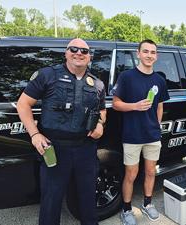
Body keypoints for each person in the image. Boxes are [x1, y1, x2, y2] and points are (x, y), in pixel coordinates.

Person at [17, 38, 106, 225]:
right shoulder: (47, 75)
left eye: (84, 50)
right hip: (55, 148)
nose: (79, 53)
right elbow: (23, 104)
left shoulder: (97, 84)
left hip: (86, 149)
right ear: (66, 53)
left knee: (89, 200)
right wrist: (34, 134)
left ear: (90, 57)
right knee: (51, 202)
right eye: (74, 49)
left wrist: (100, 124)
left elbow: (102, 110)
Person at [112, 39, 170, 225]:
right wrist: (134, 106)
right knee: (131, 174)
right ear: (138, 53)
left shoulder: (159, 80)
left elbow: (159, 107)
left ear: (156, 56)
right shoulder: (126, 77)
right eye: (145, 51)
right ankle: (127, 209)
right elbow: (116, 104)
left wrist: (156, 125)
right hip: (132, 135)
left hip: (152, 135)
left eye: (153, 52)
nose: (149, 55)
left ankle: (147, 204)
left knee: (151, 172)